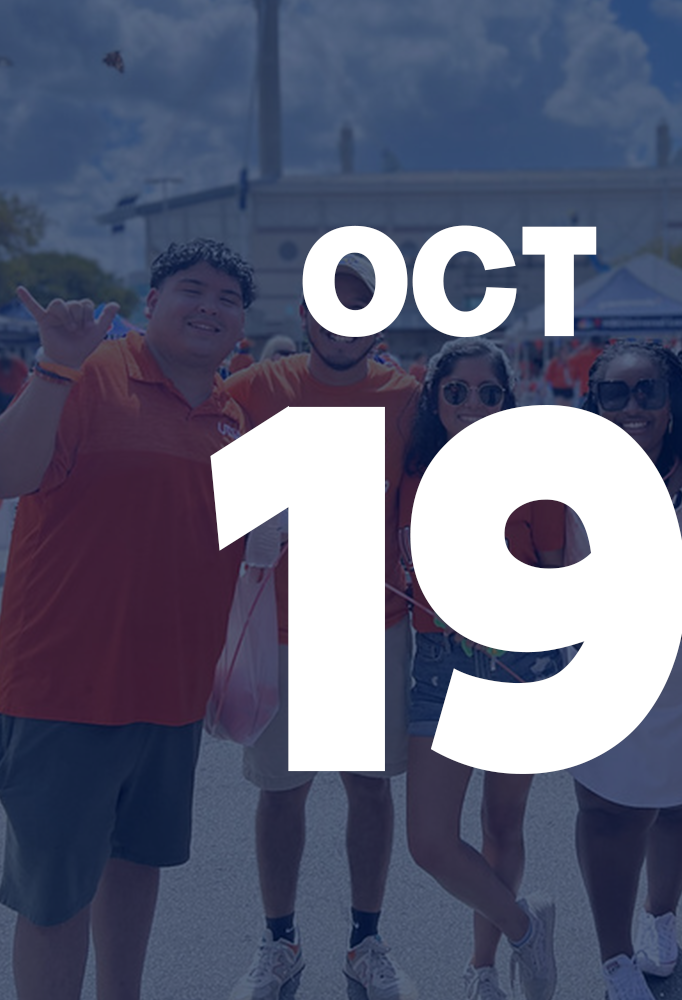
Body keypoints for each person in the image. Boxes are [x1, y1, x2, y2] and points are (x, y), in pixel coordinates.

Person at [0, 238, 255, 1000]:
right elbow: (3, 473)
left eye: (228, 299)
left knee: (135, 866)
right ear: (152, 302)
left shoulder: (229, 416)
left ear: (241, 330)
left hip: (168, 696)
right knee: (56, 895)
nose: (210, 306)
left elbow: (232, 550)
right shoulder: (89, 375)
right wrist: (55, 366)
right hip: (65, 691)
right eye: (192, 289)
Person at [225, 253, 421, 1000]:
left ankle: (365, 942)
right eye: (328, 309)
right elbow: (208, 491)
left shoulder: (408, 399)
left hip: (372, 621)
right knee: (283, 790)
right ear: (303, 318)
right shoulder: (253, 391)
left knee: (368, 787)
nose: (343, 324)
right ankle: (279, 943)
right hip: (281, 624)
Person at [568, 342, 682, 1000]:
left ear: (671, 401)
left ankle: (660, 917)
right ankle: (616, 958)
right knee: (611, 812)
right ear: (597, 403)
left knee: (681, 799)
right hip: (611, 674)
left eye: (647, 392)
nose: (633, 405)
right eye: (616, 394)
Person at [400, 338, 563, 1000]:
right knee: (430, 841)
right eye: (456, 392)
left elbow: (557, 581)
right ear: (434, 397)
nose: (471, 404)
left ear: (506, 398)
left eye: (487, 393)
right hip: (439, 664)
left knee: (502, 825)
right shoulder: (413, 473)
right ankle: (526, 927)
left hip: (514, 667)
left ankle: (483, 967)